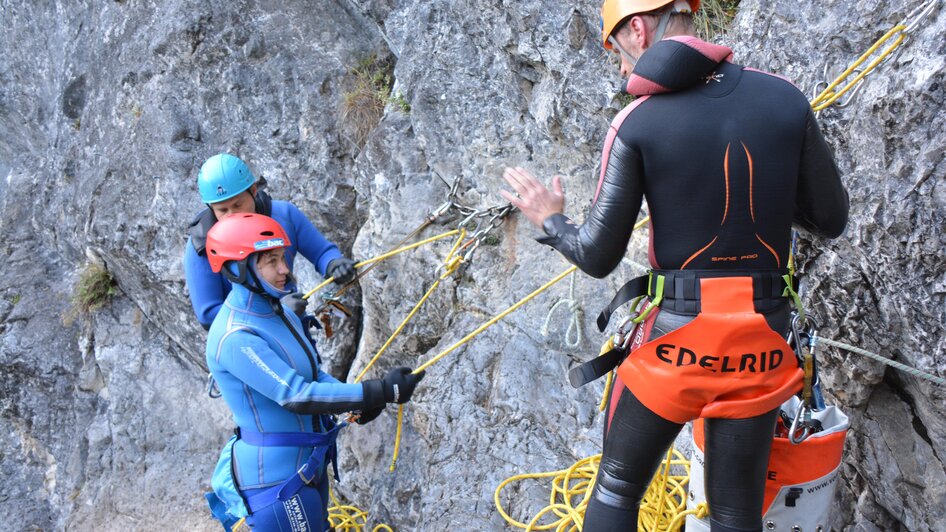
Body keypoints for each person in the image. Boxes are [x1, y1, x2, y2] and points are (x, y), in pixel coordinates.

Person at [500, 1, 849, 530]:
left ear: (637, 28)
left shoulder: (636, 122)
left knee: (618, 490)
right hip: (761, 341)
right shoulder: (785, 99)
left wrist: (552, 221)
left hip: (677, 340)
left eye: (616, 50)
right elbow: (831, 219)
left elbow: (598, 255)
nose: (621, 67)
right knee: (736, 512)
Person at [202, 213, 425, 531]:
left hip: (305, 469)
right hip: (275, 486)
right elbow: (296, 394)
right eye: (271, 261)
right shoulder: (235, 336)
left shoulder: (279, 312)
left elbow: (314, 376)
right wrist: (378, 392)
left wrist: (357, 402)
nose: (285, 270)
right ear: (237, 269)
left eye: (282, 258)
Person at [184, 153, 357, 330]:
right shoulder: (202, 246)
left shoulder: (284, 216)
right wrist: (274, 313)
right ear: (210, 208)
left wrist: (334, 264)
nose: (232, 216)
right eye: (222, 210)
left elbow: (321, 253)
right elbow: (209, 315)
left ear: (253, 191)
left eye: (238, 205)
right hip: (250, 340)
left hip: (294, 325)